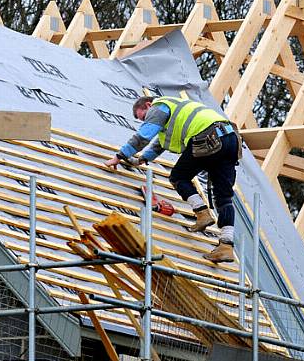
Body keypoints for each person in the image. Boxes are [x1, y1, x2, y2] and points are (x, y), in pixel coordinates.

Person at [103, 95, 241, 263]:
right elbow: (160, 143)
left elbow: (144, 136)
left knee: (178, 177)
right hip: (231, 138)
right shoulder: (177, 111)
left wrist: (120, 156)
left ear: (148, 105)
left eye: (144, 117)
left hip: (208, 137)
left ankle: (202, 213)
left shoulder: (160, 106)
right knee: (224, 198)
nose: (146, 121)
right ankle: (226, 246)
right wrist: (140, 160)